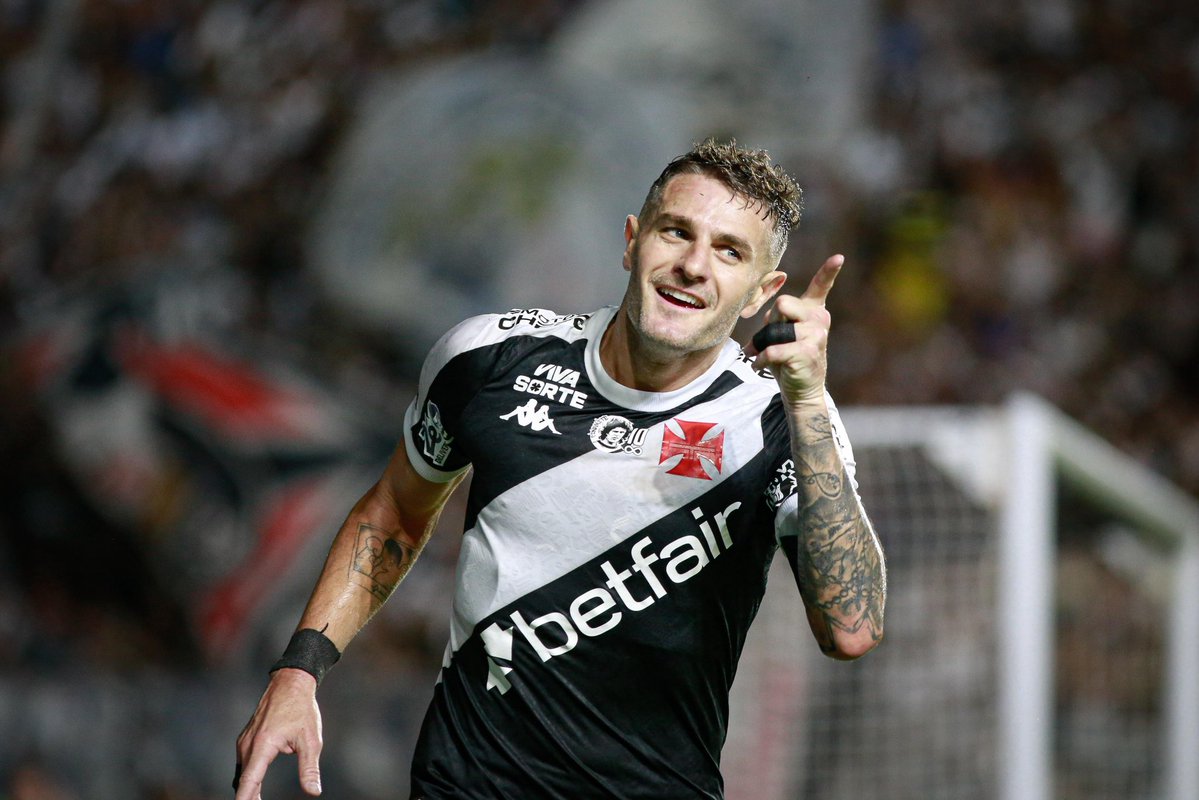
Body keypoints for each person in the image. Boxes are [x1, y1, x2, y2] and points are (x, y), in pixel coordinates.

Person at [234, 138, 886, 799]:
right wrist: (300, 671)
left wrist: (807, 400)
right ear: (631, 242)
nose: (693, 265)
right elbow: (395, 512)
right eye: (675, 232)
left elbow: (851, 628)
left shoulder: (781, 418)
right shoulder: (489, 358)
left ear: (760, 294)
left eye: (728, 251)